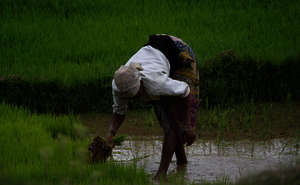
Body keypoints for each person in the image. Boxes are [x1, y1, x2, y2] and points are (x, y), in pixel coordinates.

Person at [106, 34, 199, 181]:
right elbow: (119, 111)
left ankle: (161, 175)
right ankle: (182, 163)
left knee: (174, 123)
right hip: (157, 56)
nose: (136, 100)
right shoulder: (119, 84)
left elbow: (185, 91)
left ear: (141, 84)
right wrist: (111, 134)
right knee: (168, 121)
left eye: (137, 95)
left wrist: (187, 125)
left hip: (179, 52)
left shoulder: (155, 83)